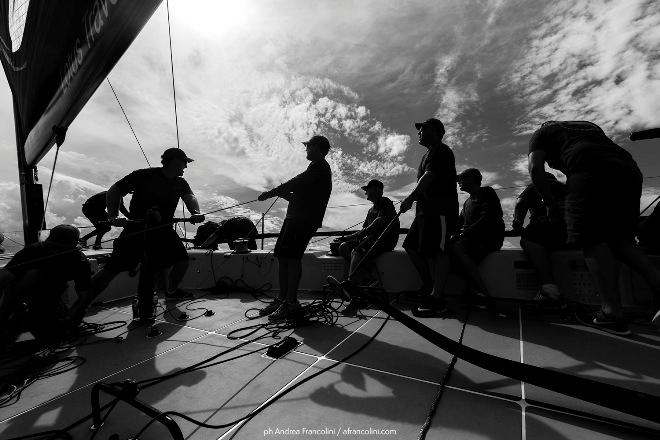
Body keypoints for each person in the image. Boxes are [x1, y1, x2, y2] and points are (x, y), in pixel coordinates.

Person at [528, 120, 660, 335]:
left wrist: (551, 206)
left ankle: (612, 313)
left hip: (588, 167)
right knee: (621, 240)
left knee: (592, 239)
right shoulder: (587, 126)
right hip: (628, 169)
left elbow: (535, 168)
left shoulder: (542, 132)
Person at [84, 148, 205, 318]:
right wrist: (113, 216)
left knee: (182, 260)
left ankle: (169, 291)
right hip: (136, 229)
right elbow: (115, 190)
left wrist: (196, 212)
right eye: (185, 163)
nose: (186, 167)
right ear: (176, 161)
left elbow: (190, 197)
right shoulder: (142, 175)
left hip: (163, 229)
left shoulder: (180, 183)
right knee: (111, 269)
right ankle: (79, 307)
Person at [258, 135, 332, 321]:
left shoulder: (320, 167)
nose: (305, 149)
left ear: (317, 147)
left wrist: (271, 193)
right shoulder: (315, 170)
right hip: (293, 218)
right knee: (283, 256)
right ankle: (283, 299)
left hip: (303, 221)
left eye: (308, 146)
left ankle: (291, 303)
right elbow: (300, 196)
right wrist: (283, 195)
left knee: (291, 257)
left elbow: (297, 181)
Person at [400, 118, 459, 317]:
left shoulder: (442, 151)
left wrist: (410, 198)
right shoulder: (427, 154)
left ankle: (437, 299)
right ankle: (428, 285)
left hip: (440, 210)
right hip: (424, 213)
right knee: (410, 245)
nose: (419, 132)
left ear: (435, 131)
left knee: (438, 252)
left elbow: (429, 177)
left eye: (423, 129)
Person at [0, 225, 92, 343]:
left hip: (52, 295)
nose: (54, 250)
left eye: (58, 247)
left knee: (52, 335)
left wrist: (71, 316)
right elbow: (4, 278)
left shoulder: (79, 261)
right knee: (29, 278)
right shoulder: (34, 250)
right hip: (20, 294)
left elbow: (85, 296)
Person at [335, 179, 399, 312]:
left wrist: (356, 237)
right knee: (343, 247)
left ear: (377, 190)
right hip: (371, 239)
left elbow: (379, 221)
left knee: (356, 252)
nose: (366, 194)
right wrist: (345, 238)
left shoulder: (385, 202)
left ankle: (353, 292)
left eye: (367, 190)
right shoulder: (370, 210)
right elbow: (364, 230)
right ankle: (368, 279)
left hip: (385, 240)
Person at [512, 172, 568, 303]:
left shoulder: (535, 186)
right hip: (570, 231)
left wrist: (518, 225)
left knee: (528, 239)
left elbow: (520, 203)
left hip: (546, 226)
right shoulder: (563, 187)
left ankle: (549, 288)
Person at [450, 168, 504, 302]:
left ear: (471, 179)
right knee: (444, 251)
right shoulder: (466, 203)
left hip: (488, 238)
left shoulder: (487, 192)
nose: (458, 182)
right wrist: (453, 234)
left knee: (457, 248)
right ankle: (473, 290)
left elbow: (489, 216)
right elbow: (459, 221)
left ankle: (483, 293)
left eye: (461, 178)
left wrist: (466, 232)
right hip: (470, 240)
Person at [193, 216, 258, 250]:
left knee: (236, 248)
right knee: (250, 248)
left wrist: (202, 247)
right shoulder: (225, 227)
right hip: (249, 226)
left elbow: (214, 236)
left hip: (242, 226)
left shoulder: (223, 228)